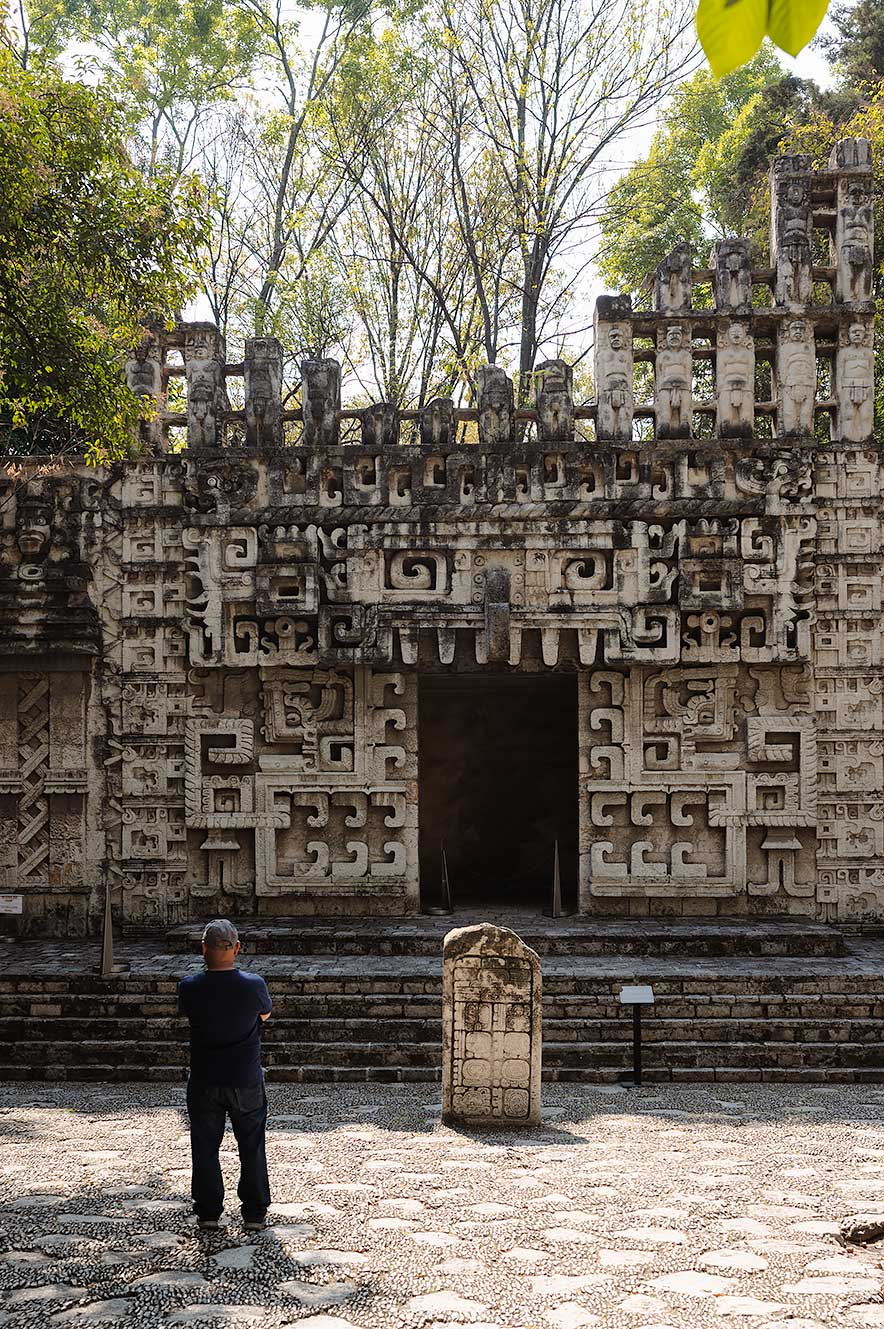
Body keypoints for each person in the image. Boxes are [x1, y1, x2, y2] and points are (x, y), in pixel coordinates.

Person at [178, 919, 272, 1232]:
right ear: (236, 948)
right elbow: (265, 1014)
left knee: (205, 1146)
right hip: (244, 1076)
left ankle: (208, 1211)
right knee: (252, 1144)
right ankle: (255, 1212)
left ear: (204, 948)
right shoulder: (254, 985)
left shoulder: (190, 986)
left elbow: (190, 1012)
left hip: (205, 1078)